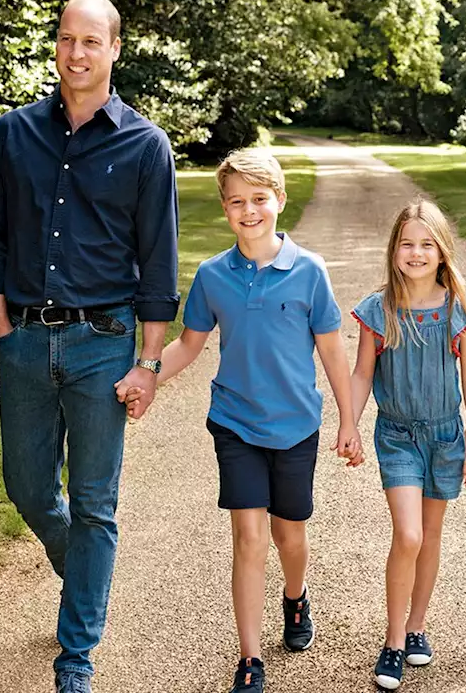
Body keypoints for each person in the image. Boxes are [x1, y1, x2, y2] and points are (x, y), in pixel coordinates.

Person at [0, 0, 178, 693]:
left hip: (104, 344)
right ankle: (81, 571)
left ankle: (75, 658)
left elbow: (159, 261)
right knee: (27, 488)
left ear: (115, 50)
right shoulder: (13, 134)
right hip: (25, 342)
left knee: (94, 503)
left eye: (92, 41)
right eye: (67, 39)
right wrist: (2, 329)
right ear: (56, 45)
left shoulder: (146, 145)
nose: (77, 53)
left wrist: (149, 362)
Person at [136, 148, 362, 693]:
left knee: (289, 534)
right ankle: (250, 659)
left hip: (295, 426)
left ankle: (296, 596)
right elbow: (190, 345)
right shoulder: (213, 275)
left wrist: (348, 421)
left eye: (259, 199)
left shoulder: (309, 271)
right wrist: (146, 375)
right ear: (225, 209)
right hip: (234, 422)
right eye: (237, 202)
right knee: (249, 536)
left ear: (279, 201)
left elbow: (333, 352)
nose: (249, 210)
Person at [348, 199, 466, 691]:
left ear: (443, 251)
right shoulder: (378, 309)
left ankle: (417, 625)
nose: (416, 252)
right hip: (399, 435)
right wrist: (350, 422)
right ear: (394, 249)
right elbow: (363, 372)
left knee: (429, 535)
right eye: (407, 243)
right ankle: (392, 640)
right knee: (407, 535)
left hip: (446, 436)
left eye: (427, 244)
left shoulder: (457, 309)